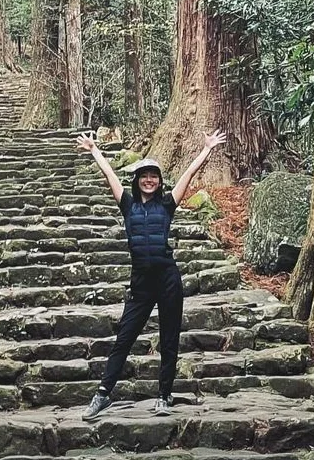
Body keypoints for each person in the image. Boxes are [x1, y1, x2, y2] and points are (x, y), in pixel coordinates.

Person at [75, 128, 227, 419]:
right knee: (125, 338)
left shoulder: (167, 204)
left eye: (154, 176)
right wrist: (95, 151)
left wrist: (207, 149)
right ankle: (103, 394)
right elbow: (111, 177)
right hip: (141, 283)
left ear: (159, 182)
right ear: (138, 180)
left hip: (168, 279)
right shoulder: (128, 205)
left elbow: (188, 176)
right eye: (144, 176)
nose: (149, 180)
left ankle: (164, 396)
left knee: (169, 339)